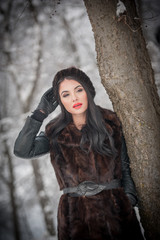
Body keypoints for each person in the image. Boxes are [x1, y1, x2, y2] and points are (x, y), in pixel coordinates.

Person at [14, 67, 144, 240]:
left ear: (88, 91)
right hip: (73, 217)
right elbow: (22, 150)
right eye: (65, 94)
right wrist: (40, 113)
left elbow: (126, 167)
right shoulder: (55, 132)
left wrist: (127, 201)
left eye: (78, 90)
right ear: (60, 101)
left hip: (116, 213)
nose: (74, 97)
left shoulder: (111, 123)